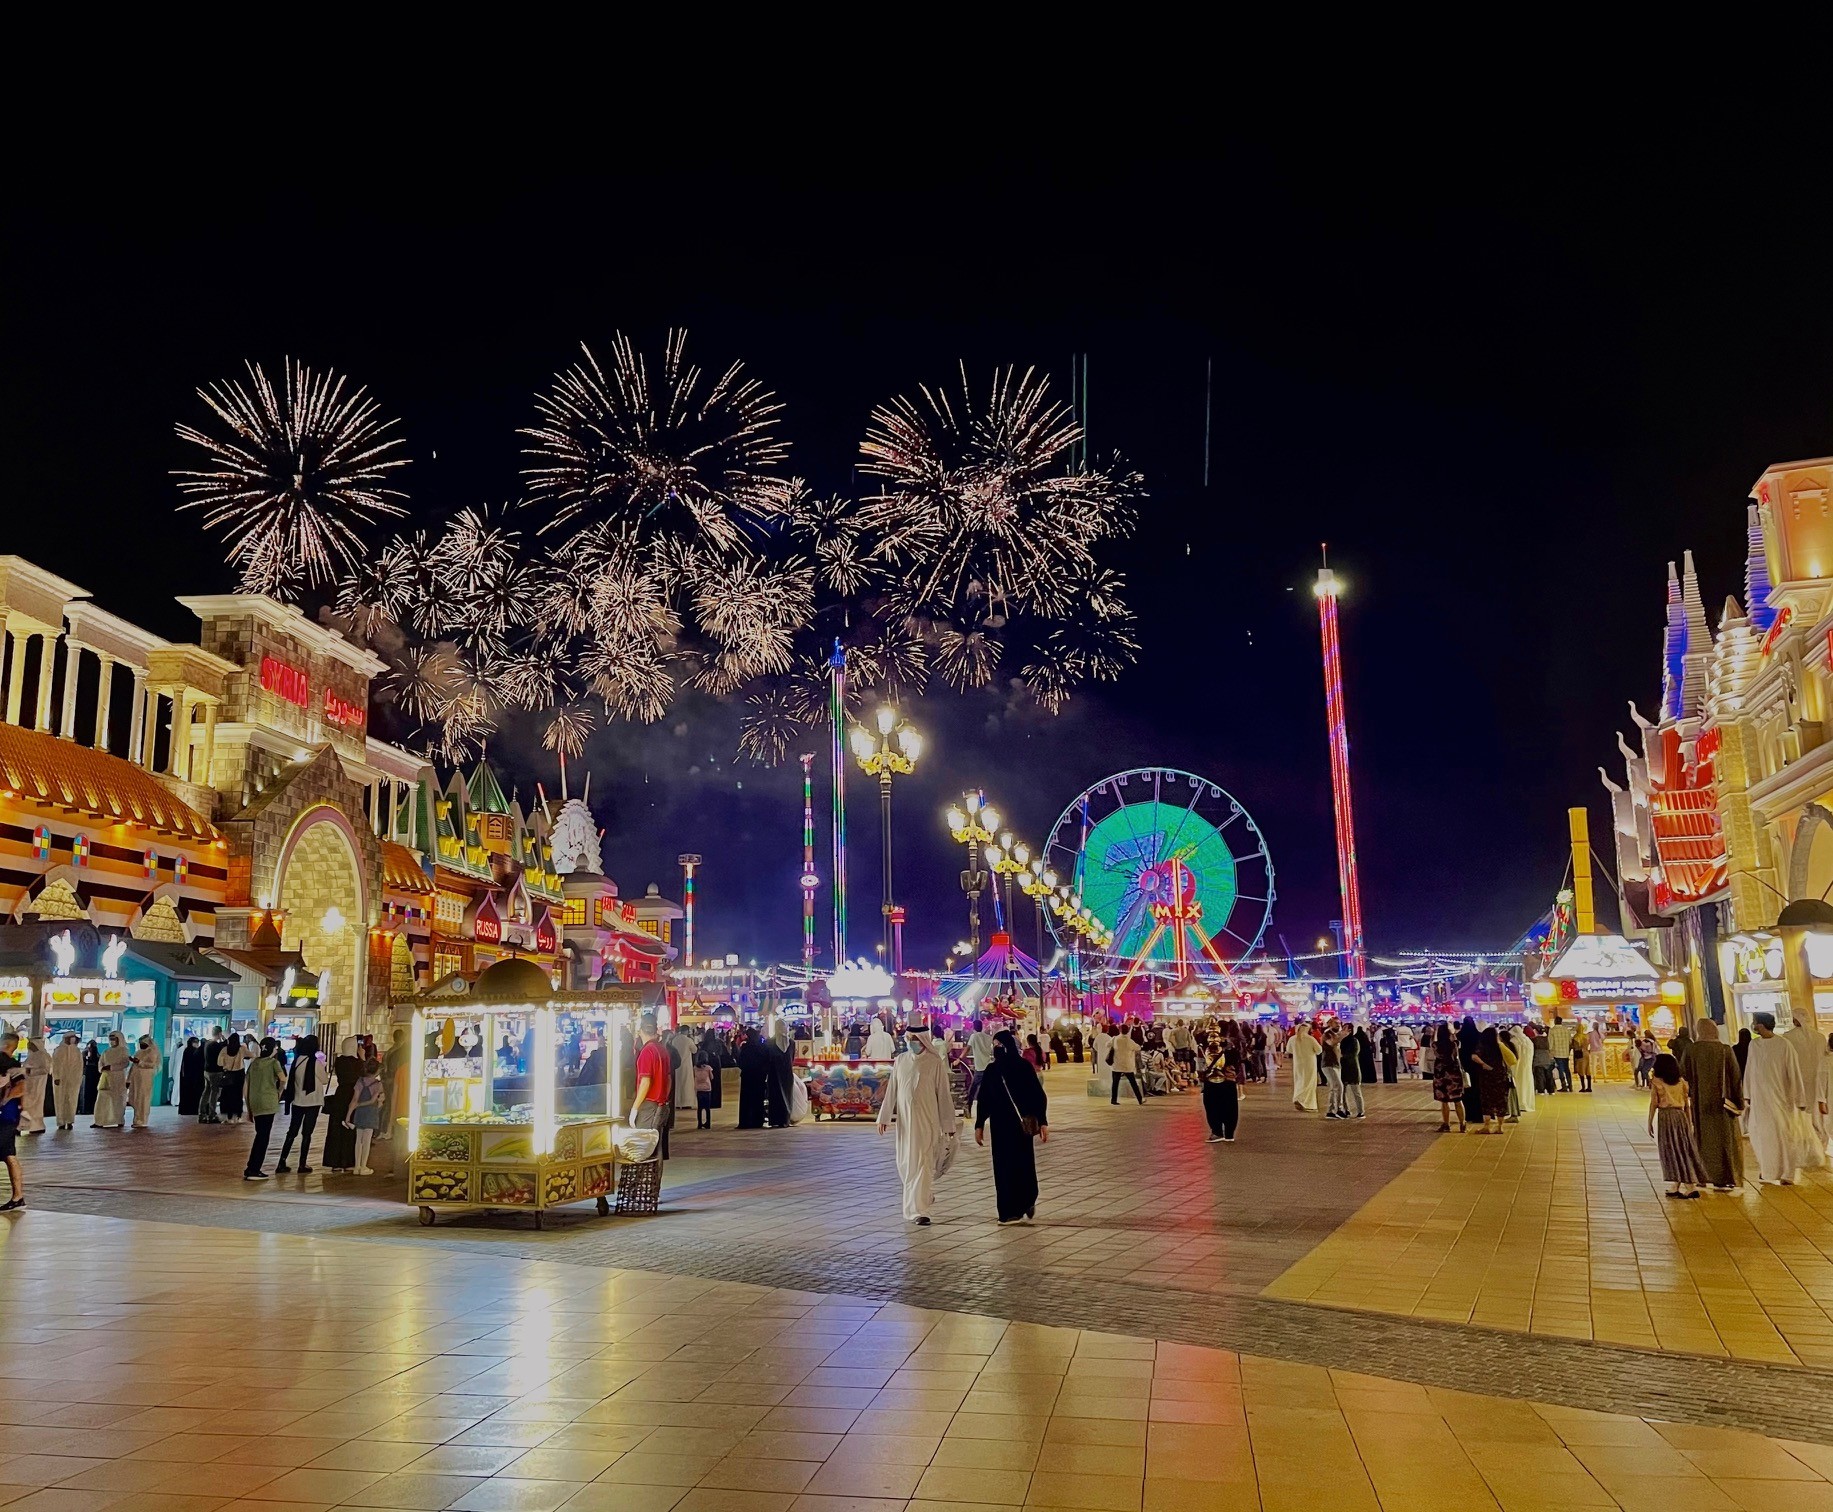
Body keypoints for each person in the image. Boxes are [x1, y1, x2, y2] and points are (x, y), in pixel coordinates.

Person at [875, 1018, 958, 1224]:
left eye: (915, 1039)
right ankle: (924, 1195)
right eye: (909, 1038)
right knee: (906, 1164)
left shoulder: (934, 1062)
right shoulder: (901, 1060)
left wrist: (948, 1125)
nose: (912, 1042)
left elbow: (943, 1095)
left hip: (927, 1122)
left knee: (922, 1162)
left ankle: (918, 1211)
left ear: (923, 1040)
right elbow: (892, 1090)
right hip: (905, 1123)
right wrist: (884, 1116)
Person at [974, 1028, 1048, 1223]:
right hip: (1001, 1126)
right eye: (994, 1045)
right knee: (1003, 1168)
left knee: (1022, 1165)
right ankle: (1008, 1211)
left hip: (1019, 1126)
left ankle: (1026, 1199)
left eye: (999, 1045)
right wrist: (979, 1124)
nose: (996, 1049)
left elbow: (1037, 1095)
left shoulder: (1023, 1067)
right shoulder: (993, 1070)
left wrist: (1043, 1122)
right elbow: (984, 1099)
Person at [1744, 1013, 1809, 1185]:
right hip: (1760, 1101)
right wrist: (1747, 1095)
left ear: (1762, 1025)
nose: (1753, 1025)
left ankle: (1787, 1173)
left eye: (1755, 1023)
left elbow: (1794, 1072)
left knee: (1784, 1136)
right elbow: (1750, 1070)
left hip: (1781, 1100)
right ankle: (1768, 1170)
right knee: (1761, 1136)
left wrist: (1799, 1099)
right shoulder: (1754, 1045)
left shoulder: (1784, 1045)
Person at [1647, 1052, 1707, 1198]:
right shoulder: (1681, 1082)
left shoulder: (1657, 1082)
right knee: (1682, 1148)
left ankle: (1690, 1186)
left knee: (1671, 1149)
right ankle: (1676, 1185)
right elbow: (1687, 1104)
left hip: (1666, 1117)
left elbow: (1654, 1103)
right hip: (1680, 1116)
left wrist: (1649, 1122)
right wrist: (1689, 1122)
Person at [1781, 1016, 1831, 1170]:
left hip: (1800, 1085)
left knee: (1805, 1117)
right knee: (1821, 1118)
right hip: (1820, 1086)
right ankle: (1821, 1144)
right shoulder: (1819, 1037)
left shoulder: (1787, 1038)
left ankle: (1812, 1148)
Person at [275, 1035, 324, 1173]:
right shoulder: (316, 1063)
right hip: (313, 1102)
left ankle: (282, 1161)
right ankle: (302, 1164)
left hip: (297, 1101)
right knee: (307, 1134)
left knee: (292, 1132)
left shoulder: (297, 1061)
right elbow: (325, 1079)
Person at [631, 1012, 674, 1160]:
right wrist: (664, 1098)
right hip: (661, 1104)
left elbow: (645, 1082)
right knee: (657, 1147)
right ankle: (654, 1180)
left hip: (649, 1104)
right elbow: (669, 1079)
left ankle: (644, 1180)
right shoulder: (662, 1049)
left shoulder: (647, 1051)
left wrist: (635, 1107)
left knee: (644, 1147)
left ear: (640, 1030)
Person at [243, 1037, 285, 1180]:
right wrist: (279, 1092)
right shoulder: (274, 1063)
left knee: (259, 1134)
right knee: (263, 1136)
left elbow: (246, 1086)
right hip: (268, 1102)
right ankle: (253, 1169)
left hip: (255, 1102)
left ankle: (252, 1167)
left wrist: (248, 1107)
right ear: (272, 1048)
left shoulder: (254, 1063)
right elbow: (283, 1079)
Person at [321, 1038, 362, 1172]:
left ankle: (335, 1161)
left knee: (336, 1128)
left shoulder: (339, 1062)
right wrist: (362, 1057)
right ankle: (348, 1160)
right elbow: (364, 1073)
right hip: (352, 1095)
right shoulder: (356, 1063)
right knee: (350, 1128)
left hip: (340, 1095)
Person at [343, 1058, 385, 1175]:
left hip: (359, 1113)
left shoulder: (359, 1081)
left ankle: (356, 1166)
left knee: (358, 1140)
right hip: (371, 1113)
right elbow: (373, 1101)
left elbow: (354, 1100)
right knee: (366, 1141)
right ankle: (364, 1166)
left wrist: (348, 1116)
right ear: (377, 1071)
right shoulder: (378, 1084)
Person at [1470, 1025, 1514, 1135]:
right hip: (1500, 1075)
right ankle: (1500, 1127)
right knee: (1501, 1100)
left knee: (1486, 1101)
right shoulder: (1500, 1046)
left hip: (1486, 1076)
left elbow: (1474, 1056)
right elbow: (1512, 1059)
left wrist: (1484, 1064)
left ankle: (1487, 1126)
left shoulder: (1482, 1046)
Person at [1200, 1035, 1241, 1143]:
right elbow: (1238, 1064)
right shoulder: (1233, 1048)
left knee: (1212, 1107)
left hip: (1213, 1081)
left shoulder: (1209, 1049)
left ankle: (1217, 1132)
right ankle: (1229, 1134)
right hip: (1230, 1081)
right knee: (1231, 1108)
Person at [1432, 1023, 1465, 1133]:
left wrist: (1436, 1031)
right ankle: (1462, 1124)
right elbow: (1456, 1052)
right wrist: (1452, 1034)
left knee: (1444, 1101)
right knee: (1458, 1100)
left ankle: (1446, 1124)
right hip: (1454, 1074)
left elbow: (1433, 1042)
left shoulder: (1436, 1045)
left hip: (1441, 1074)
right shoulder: (1454, 1044)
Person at [0, 1067, 25, 1211]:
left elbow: (21, 1087)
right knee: (9, 1155)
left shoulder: (10, 1067)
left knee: (9, 1155)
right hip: (6, 1117)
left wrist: (5, 1100)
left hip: (7, 1116)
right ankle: (18, 1197)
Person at [93, 1032, 129, 1129]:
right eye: (111, 1038)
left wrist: (112, 1067)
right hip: (105, 1078)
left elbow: (125, 1064)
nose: (112, 1041)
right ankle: (99, 1121)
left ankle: (118, 1120)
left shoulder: (123, 1051)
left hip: (118, 1078)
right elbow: (100, 1063)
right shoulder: (106, 1051)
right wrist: (103, 1068)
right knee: (102, 1099)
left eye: (114, 1038)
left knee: (117, 1100)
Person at [735, 1028, 770, 1129]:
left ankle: (745, 1121)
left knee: (746, 1099)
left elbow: (740, 1061)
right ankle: (757, 1120)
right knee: (758, 1099)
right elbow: (766, 1061)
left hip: (747, 1077)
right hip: (759, 1077)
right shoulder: (762, 1047)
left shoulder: (746, 1047)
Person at [50, 1033, 81, 1131]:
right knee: (60, 1100)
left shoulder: (76, 1051)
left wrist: (77, 1078)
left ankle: (70, 1120)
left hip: (73, 1080)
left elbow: (79, 1066)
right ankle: (61, 1122)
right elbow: (55, 1065)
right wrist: (57, 1077)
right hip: (61, 1080)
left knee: (72, 1099)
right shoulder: (59, 1050)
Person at [1107, 1022, 1144, 1105]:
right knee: (1133, 1083)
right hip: (1127, 1065)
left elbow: (1107, 1045)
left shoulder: (1115, 1039)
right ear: (1127, 1031)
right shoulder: (1129, 1041)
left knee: (1115, 1083)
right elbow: (1138, 1047)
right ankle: (1140, 1099)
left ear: (1120, 1030)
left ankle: (1113, 1100)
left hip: (1117, 1064)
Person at [20, 1038, 50, 1135]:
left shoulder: (43, 1056)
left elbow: (45, 1070)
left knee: (35, 1107)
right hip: (29, 1085)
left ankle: (36, 1126)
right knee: (27, 1106)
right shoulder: (32, 1055)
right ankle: (25, 1125)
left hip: (37, 1085)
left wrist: (31, 1071)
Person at [1288, 1022, 1320, 1112]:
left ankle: (1298, 1098)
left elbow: (1288, 1050)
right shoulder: (1310, 1039)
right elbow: (1319, 1050)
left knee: (1299, 1081)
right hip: (1310, 1063)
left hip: (1298, 1063)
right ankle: (1308, 1103)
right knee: (1309, 1083)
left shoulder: (1292, 1039)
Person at [965, 1019, 996, 1107]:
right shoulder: (988, 1037)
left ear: (973, 1027)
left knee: (973, 1089)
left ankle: (969, 1107)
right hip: (988, 1066)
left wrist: (959, 1058)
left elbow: (967, 1049)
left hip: (980, 1068)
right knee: (990, 1089)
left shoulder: (973, 1036)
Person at [1508, 1023, 1537, 1118]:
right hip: (1527, 1067)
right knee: (1526, 1084)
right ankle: (1526, 1103)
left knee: (1517, 1084)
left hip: (1516, 1067)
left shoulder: (1513, 1041)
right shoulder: (1528, 1041)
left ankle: (1518, 1104)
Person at [198, 1028, 226, 1124]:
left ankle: (202, 1114)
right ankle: (212, 1115)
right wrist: (224, 1038)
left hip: (206, 1071)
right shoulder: (216, 1045)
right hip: (215, 1072)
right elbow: (225, 1045)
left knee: (206, 1091)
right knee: (214, 1093)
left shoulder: (207, 1044)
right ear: (219, 1033)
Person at [218, 1033, 246, 1123]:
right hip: (240, 1074)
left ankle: (229, 1118)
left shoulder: (225, 1049)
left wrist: (226, 1064)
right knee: (238, 1095)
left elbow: (219, 1063)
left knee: (229, 1096)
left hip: (229, 1074)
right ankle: (239, 1116)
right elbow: (253, 1055)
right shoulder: (242, 1049)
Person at [1320, 1025, 1346, 1118]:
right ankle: (1339, 1108)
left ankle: (1330, 1111)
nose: (1338, 1025)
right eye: (1335, 1023)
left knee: (1333, 1088)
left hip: (1336, 1064)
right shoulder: (1327, 1034)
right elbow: (1331, 1043)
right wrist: (1342, 1036)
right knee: (1339, 1086)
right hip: (1328, 1064)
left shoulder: (1336, 1034)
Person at [177, 1035, 204, 1117]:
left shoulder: (187, 1051)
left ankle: (188, 1109)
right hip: (192, 1077)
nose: (196, 1044)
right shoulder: (192, 1051)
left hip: (188, 1077)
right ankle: (192, 1109)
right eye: (195, 1042)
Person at [1547, 1015, 1575, 1092]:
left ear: (1555, 1022)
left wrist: (1550, 1052)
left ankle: (1564, 1086)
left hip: (1557, 1053)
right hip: (1565, 1053)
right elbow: (1570, 1042)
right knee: (1567, 1069)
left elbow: (1550, 1044)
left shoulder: (1552, 1030)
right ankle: (1570, 1085)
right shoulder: (1567, 1030)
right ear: (1561, 1022)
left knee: (1560, 1070)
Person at [1531, 1023, 1555, 1096]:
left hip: (1538, 1059)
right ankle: (1551, 1090)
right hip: (1547, 1058)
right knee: (1549, 1075)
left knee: (1540, 1076)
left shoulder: (1534, 1040)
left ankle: (1541, 1090)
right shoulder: (1547, 1039)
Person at [79, 1039, 99, 1115]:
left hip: (94, 1077)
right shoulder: (84, 1054)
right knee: (85, 1093)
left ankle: (91, 1108)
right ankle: (85, 1109)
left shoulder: (96, 1055)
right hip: (86, 1076)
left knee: (92, 1093)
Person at [1571, 1025, 1593, 1094]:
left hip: (1580, 1054)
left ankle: (1583, 1087)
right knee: (1587, 1069)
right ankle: (1589, 1087)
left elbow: (1574, 1046)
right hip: (1586, 1053)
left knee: (1581, 1070)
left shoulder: (1576, 1037)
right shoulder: (1586, 1036)